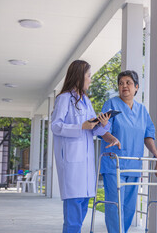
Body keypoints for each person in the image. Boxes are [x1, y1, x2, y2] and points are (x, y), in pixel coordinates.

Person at [51, 60, 120, 233]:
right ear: (78, 76)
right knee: (73, 216)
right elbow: (56, 126)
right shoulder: (64, 98)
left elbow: (93, 129)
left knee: (82, 209)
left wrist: (102, 123)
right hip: (72, 164)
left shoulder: (86, 101)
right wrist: (80, 126)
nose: (90, 80)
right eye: (88, 76)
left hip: (86, 164)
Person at [100, 70, 157, 233]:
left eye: (128, 83)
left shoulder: (142, 110)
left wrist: (155, 152)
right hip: (114, 163)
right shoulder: (111, 104)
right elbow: (103, 129)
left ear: (136, 87)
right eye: (121, 83)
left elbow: (148, 134)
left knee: (128, 208)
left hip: (134, 164)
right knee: (115, 205)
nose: (124, 86)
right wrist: (111, 138)